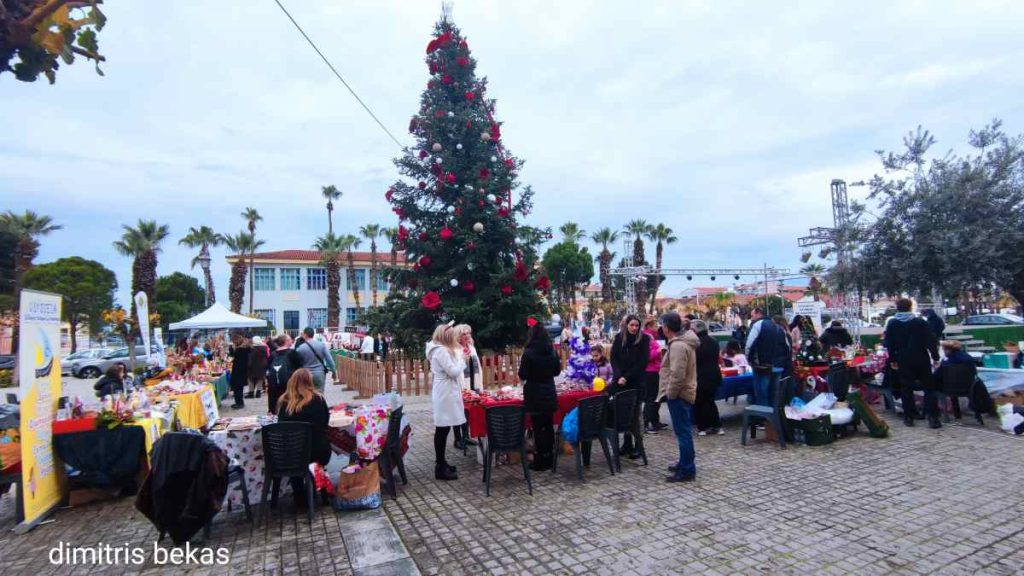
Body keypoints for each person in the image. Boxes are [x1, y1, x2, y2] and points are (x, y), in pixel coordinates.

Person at [276, 368, 331, 503]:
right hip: (318, 452)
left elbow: (281, 427)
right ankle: (315, 490)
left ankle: (299, 495)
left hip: (292, 454)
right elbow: (324, 423)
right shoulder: (318, 399)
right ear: (309, 382)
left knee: (295, 453)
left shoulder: (284, 403)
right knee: (315, 444)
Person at [885, 298, 941, 428]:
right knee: (928, 387)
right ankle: (932, 417)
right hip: (920, 356)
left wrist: (892, 359)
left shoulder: (893, 323)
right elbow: (930, 340)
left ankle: (909, 416)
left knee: (906, 387)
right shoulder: (920, 322)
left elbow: (890, 343)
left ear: (897, 308)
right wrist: (935, 357)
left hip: (903, 357)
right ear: (910, 308)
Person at [658, 311, 699, 483]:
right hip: (682, 392)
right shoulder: (681, 343)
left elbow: (677, 374)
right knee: (682, 431)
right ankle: (684, 462)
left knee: (683, 433)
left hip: (680, 394)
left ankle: (687, 469)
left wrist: (671, 394)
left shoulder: (678, 346)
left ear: (667, 328)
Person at [518, 320, 561, 471]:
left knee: (538, 427)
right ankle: (550, 457)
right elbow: (557, 371)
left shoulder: (528, 352)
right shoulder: (551, 350)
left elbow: (522, 374)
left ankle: (540, 460)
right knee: (548, 426)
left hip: (534, 393)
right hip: (549, 390)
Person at [426, 324, 466, 480]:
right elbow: (454, 372)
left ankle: (442, 463)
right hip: (445, 392)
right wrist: (463, 360)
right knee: (442, 428)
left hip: (445, 390)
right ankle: (440, 467)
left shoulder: (438, 349)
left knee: (444, 428)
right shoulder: (441, 351)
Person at [610, 314, 650, 458]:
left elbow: (643, 361)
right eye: (632, 325)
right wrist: (619, 375)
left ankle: (638, 446)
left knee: (636, 415)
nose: (634, 328)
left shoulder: (644, 339)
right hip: (621, 382)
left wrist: (626, 377)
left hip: (636, 382)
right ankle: (627, 444)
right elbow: (613, 357)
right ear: (626, 325)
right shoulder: (619, 338)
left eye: (636, 325)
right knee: (624, 413)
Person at [745, 308, 790, 406]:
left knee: (762, 395)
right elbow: (787, 347)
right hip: (778, 367)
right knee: (774, 394)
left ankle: (763, 419)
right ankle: (773, 418)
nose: (751, 319)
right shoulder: (779, 327)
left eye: (752, 316)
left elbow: (750, 344)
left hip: (762, 367)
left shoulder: (758, 325)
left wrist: (750, 360)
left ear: (758, 314)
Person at [692, 320, 723, 436]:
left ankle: (702, 427)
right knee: (710, 401)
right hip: (714, 374)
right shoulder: (714, 341)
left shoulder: (695, 343)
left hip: (700, 375)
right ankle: (717, 426)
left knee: (699, 402)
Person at [452, 324, 480, 451]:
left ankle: (466, 436)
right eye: (464, 334)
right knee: (458, 411)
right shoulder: (455, 350)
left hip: (473, 383)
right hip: (461, 384)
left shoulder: (471, 348)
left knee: (468, 411)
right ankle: (457, 439)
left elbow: (477, 367)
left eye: (469, 333)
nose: (467, 336)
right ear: (458, 336)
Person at [267, 333, 302, 414]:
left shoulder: (273, 354)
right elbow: (300, 368)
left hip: (274, 384)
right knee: (289, 403)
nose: (292, 341)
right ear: (285, 341)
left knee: (275, 404)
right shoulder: (292, 353)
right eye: (290, 340)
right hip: (289, 384)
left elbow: (269, 368)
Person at [641, 316, 664, 434]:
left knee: (657, 398)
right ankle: (645, 424)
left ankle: (655, 421)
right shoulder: (646, 337)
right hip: (650, 372)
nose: (657, 328)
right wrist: (658, 351)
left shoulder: (652, 337)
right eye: (655, 326)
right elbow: (646, 356)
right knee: (651, 398)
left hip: (655, 370)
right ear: (649, 326)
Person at [228, 332, 251, 409]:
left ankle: (239, 403)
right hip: (242, 371)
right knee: (239, 388)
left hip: (238, 371)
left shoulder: (240, 350)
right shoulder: (244, 349)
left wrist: (231, 348)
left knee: (237, 388)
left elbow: (235, 358)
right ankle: (239, 402)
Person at [247, 335, 269, 399]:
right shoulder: (264, 347)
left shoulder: (253, 348)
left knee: (250, 379)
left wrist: (248, 365)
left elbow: (251, 358)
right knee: (260, 379)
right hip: (262, 365)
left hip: (254, 365)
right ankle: (258, 393)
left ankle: (251, 393)